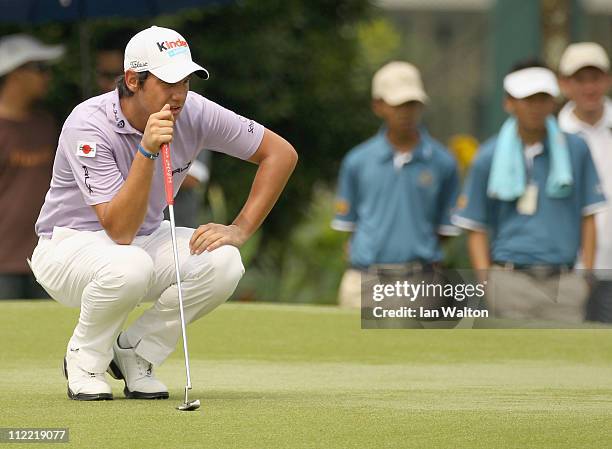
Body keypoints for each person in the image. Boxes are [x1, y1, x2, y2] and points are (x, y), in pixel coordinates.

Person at [30, 26, 297, 401]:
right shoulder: (86, 123)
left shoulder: (194, 111)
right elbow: (119, 230)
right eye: (168, 81)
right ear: (132, 80)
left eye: (186, 80)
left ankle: (136, 352)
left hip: (142, 239)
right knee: (129, 264)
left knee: (224, 261)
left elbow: (280, 153)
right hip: (68, 245)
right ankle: (85, 360)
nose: (180, 94)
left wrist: (240, 228)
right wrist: (147, 151)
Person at [452, 60, 606, 322]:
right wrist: (486, 280)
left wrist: (586, 275)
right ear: (509, 103)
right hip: (509, 280)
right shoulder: (488, 156)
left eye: (543, 99)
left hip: (565, 282)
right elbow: (476, 227)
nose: (536, 107)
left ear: (552, 102)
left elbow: (588, 215)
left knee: (564, 360)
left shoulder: (575, 149)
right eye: (527, 99)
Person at [331, 61, 460, 310]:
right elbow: (351, 225)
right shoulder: (357, 161)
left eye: (412, 104)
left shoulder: (443, 162)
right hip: (365, 278)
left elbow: (444, 230)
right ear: (378, 106)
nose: (406, 112)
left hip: (421, 280)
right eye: (398, 104)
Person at [95, 34, 212, 228]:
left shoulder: (186, 111)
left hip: (175, 230)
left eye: (116, 75)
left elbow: (194, 178)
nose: (112, 84)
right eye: (104, 75)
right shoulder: (93, 120)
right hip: (121, 240)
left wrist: (144, 156)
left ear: (132, 77)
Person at [0, 34, 65, 299]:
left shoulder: (46, 124)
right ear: (14, 74)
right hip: (3, 262)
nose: (47, 76)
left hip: (49, 257)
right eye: (40, 68)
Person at [558, 42, 612, 322]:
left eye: (596, 78)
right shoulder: (551, 135)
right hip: (567, 272)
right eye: (580, 80)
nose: (589, 88)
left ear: (608, 80)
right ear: (564, 84)